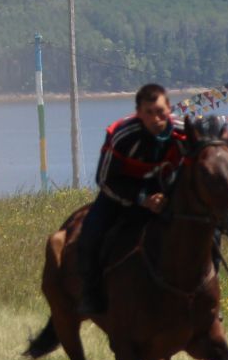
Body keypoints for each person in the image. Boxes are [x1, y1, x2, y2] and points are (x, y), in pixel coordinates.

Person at [75, 82, 187, 317]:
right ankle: (90, 295)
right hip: (121, 193)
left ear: (169, 109)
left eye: (160, 112)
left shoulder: (185, 132)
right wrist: (143, 199)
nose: (156, 119)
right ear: (139, 114)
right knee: (90, 234)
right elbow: (104, 180)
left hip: (165, 191)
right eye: (149, 113)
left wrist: (167, 196)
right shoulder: (123, 136)